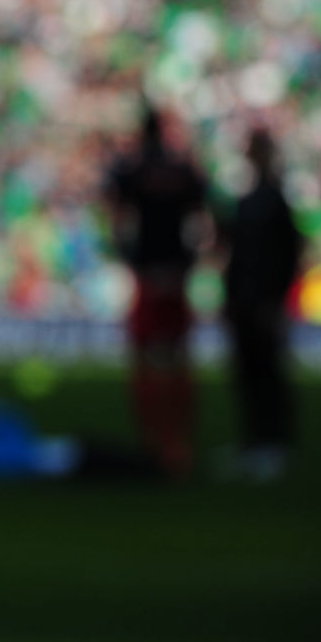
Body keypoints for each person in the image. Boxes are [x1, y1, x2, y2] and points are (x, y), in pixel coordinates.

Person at [102, 106, 209, 475]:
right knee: (179, 362)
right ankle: (179, 446)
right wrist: (190, 257)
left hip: (147, 275)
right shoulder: (182, 170)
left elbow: (115, 218)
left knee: (146, 361)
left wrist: (128, 255)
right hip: (176, 274)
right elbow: (202, 217)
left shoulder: (130, 171)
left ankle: (152, 443)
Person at [220, 129, 304, 480]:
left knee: (267, 373)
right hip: (243, 301)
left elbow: (288, 256)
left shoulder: (272, 202)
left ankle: (273, 445)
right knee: (249, 374)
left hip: (262, 302)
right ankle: (256, 443)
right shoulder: (251, 199)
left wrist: (275, 299)